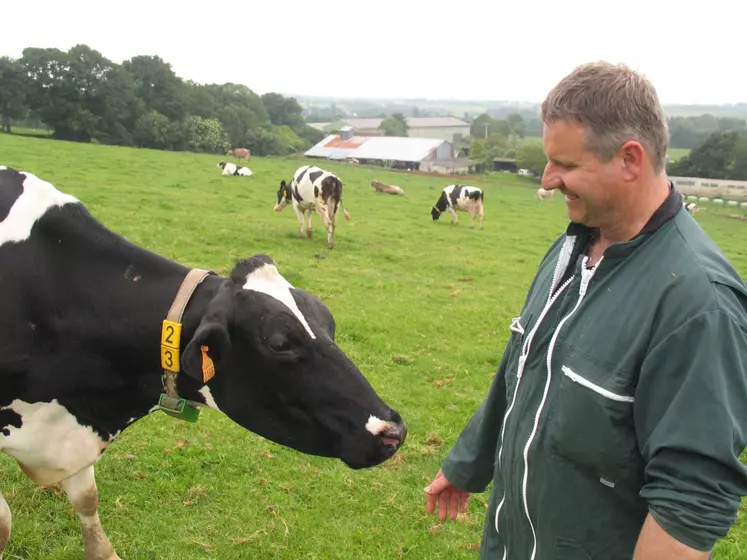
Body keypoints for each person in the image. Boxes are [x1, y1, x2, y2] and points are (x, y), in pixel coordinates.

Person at [424, 61, 747, 559]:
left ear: (630, 159)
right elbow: (524, 360)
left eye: (567, 166)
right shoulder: (573, 247)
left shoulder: (700, 304)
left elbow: (691, 497)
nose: (549, 180)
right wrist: (470, 460)